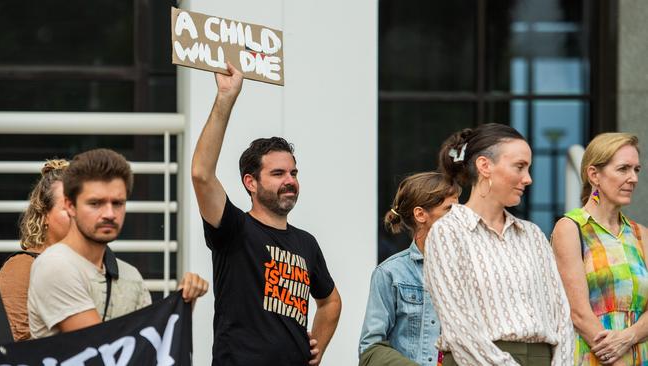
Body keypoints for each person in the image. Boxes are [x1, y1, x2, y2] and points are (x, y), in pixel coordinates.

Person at [191, 62, 342, 366]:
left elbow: (330, 301)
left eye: (293, 172)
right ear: (251, 182)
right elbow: (201, 175)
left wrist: (318, 348)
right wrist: (225, 98)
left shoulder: (307, 243)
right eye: (277, 173)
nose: (290, 180)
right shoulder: (234, 228)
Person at [424, 123, 574, 365]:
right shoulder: (448, 233)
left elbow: (562, 316)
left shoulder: (533, 235)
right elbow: (459, 326)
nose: (528, 179)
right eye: (519, 167)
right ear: (485, 166)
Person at [28, 148, 208, 338]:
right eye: (95, 203)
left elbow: (152, 347)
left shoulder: (131, 276)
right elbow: (101, 348)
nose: (109, 214)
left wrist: (182, 302)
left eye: (117, 203)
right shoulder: (55, 265)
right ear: (70, 206)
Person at [552, 133, 647, 366]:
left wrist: (628, 337)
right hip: (591, 359)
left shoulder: (640, 234)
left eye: (636, 169)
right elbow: (579, 314)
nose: (633, 178)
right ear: (594, 174)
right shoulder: (570, 228)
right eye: (623, 169)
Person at [358, 172, 459, 366]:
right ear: (421, 214)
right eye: (450, 209)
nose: (459, 217)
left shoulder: (471, 271)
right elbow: (370, 348)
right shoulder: (390, 273)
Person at [0, 159, 69, 341]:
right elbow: (15, 341)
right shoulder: (22, 267)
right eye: (67, 207)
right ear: (44, 214)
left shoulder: (95, 264)